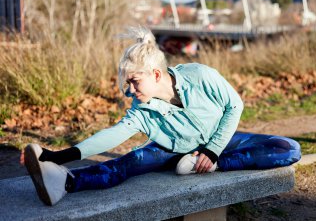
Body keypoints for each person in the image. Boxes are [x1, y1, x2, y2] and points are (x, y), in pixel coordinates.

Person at [21, 27, 301, 206]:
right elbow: (112, 135)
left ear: (155, 74)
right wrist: (57, 156)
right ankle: (66, 181)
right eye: (127, 84)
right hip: (170, 150)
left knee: (287, 149)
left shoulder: (201, 76)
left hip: (219, 143)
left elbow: (234, 106)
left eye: (134, 82)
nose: (130, 91)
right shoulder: (142, 108)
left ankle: (202, 165)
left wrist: (213, 152)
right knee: (127, 164)